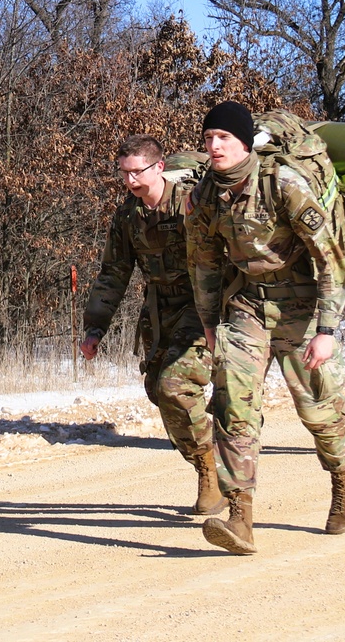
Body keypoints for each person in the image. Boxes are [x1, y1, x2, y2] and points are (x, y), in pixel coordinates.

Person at [185, 101, 345, 555]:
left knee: (318, 409)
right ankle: (240, 515)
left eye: (223, 137)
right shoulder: (207, 193)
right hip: (248, 303)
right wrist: (209, 323)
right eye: (208, 139)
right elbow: (202, 262)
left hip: (302, 305)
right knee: (233, 404)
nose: (214, 146)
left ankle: (344, 476)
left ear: (245, 142)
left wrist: (327, 328)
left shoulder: (282, 182)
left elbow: (330, 258)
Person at [81, 134, 229, 516]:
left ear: (159, 167)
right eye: (124, 174)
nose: (130, 181)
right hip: (160, 311)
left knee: (174, 387)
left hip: (201, 308)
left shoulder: (191, 205)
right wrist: (96, 328)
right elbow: (114, 273)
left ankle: (209, 472)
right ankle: (208, 450)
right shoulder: (128, 216)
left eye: (136, 173)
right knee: (157, 391)